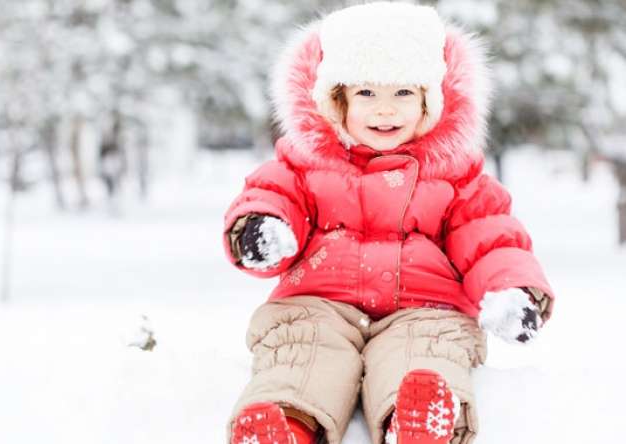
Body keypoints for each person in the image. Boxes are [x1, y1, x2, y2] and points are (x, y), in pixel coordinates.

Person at [222, 3, 554, 444]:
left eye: (402, 94)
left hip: (423, 306)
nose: (385, 111)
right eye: (366, 94)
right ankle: (287, 426)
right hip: (320, 301)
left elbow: (489, 237)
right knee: (301, 348)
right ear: (335, 99)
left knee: (427, 351)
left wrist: (511, 293)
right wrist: (260, 231)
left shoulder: (454, 174)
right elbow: (272, 196)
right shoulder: (304, 163)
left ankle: (418, 421)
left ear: (429, 101)